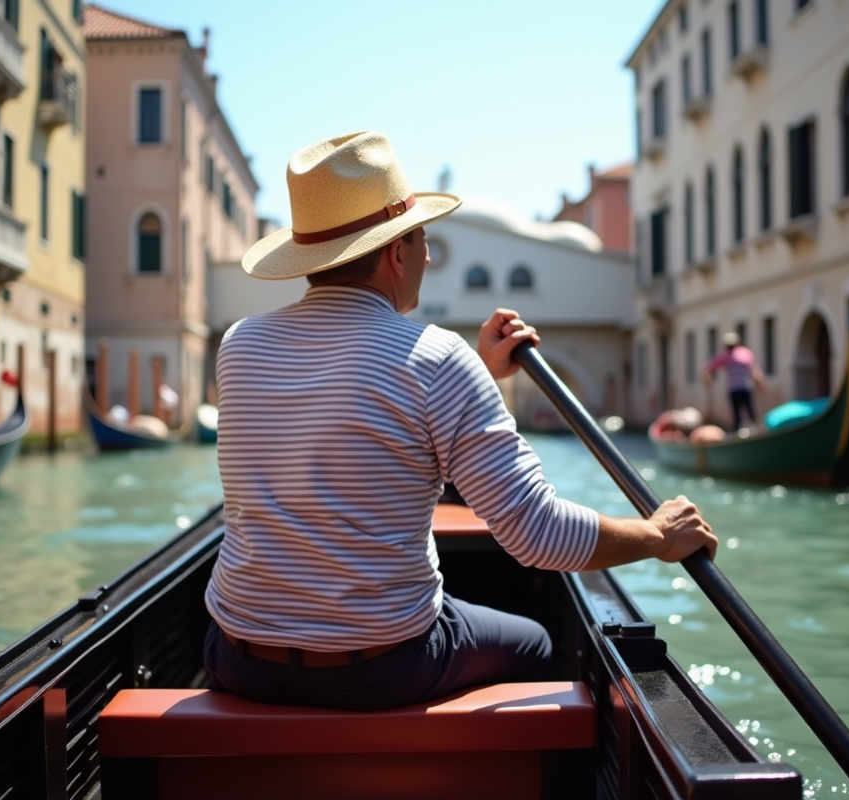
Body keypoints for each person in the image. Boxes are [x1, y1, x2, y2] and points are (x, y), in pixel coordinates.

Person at [203, 131, 717, 711]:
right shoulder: (437, 357)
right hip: (383, 668)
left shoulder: (239, 344)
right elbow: (539, 536)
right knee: (537, 642)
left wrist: (477, 374)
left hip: (238, 658)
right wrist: (659, 536)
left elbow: (346, 412)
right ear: (397, 253)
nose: (427, 256)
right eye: (423, 238)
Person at [702, 331, 766, 431]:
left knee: (738, 414)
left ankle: (740, 429)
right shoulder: (746, 353)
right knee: (750, 411)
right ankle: (754, 429)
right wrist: (761, 385)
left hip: (734, 389)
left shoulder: (725, 355)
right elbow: (755, 372)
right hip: (745, 388)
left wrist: (707, 379)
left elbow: (708, 368)